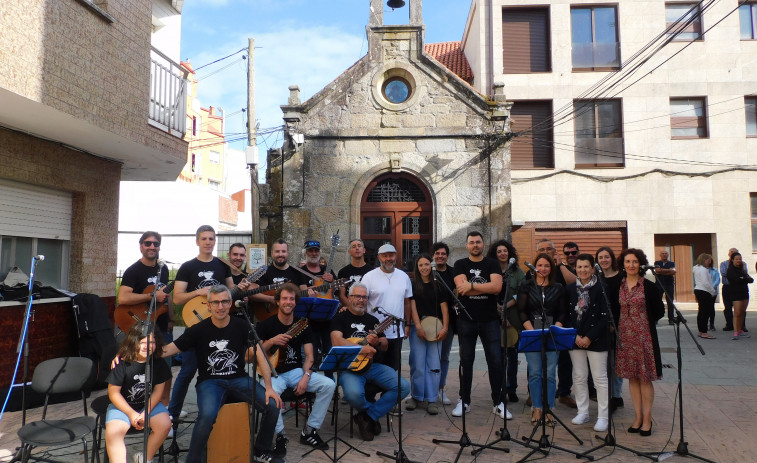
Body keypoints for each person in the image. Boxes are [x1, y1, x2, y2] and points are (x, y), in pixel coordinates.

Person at [161, 285, 283, 463]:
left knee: (273, 404)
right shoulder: (198, 329)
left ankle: (260, 450)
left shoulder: (241, 325)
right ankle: (193, 460)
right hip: (210, 382)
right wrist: (138, 351)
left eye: (224, 302)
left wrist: (269, 387)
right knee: (207, 415)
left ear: (230, 303)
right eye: (216, 302)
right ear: (208, 305)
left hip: (238, 378)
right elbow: (168, 350)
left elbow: (259, 354)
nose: (220, 307)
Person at [168, 225, 237, 428]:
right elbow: (178, 298)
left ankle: (214, 415)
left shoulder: (222, 265)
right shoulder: (188, 267)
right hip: (195, 326)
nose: (208, 242)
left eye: (211, 239)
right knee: (187, 371)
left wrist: (239, 292)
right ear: (197, 241)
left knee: (218, 370)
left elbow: (232, 291)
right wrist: (198, 293)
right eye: (204, 238)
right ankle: (172, 416)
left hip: (218, 328)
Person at [256, 283, 336, 456]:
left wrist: (306, 376)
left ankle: (309, 431)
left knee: (329, 384)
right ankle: (280, 435)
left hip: (295, 372)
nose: (288, 302)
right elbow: (256, 353)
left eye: (292, 299)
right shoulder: (266, 325)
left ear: (296, 302)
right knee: (270, 393)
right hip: (273, 374)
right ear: (277, 301)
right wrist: (272, 341)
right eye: (284, 298)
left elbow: (309, 357)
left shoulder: (303, 325)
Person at [330, 283, 411, 441]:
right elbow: (336, 340)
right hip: (349, 368)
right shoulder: (340, 318)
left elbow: (385, 345)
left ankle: (367, 417)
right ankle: (371, 414)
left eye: (364, 297)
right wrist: (361, 348)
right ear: (349, 298)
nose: (361, 300)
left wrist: (376, 343)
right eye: (357, 296)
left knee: (404, 387)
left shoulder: (373, 320)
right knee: (353, 395)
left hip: (372, 366)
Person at [452, 231, 509, 420]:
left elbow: (497, 288)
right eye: (471, 242)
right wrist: (475, 288)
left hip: (490, 320)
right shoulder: (460, 264)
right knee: (465, 362)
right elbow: (461, 289)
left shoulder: (492, 263)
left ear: (483, 244)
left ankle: (498, 402)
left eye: (478, 242)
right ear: (467, 245)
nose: (475, 245)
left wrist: (472, 287)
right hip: (466, 320)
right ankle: (464, 400)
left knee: (495, 362)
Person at [117, 231, 173, 405]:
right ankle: (138, 406)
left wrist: (171, 318)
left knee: (166, 370)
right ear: (141, 246)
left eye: (155, 244)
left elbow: (165, 295)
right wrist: (151, 297)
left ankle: (165, 409)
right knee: (139, 370)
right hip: (140, 327)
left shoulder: (162, 268)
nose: (152, 247)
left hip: (161, 325)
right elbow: (123, 298)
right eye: (148, 243)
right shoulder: (133, 270)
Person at [613, 248, 664, 437]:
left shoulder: (648, 286)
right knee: (632, 378)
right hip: (625, 337)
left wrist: (642, 322)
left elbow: (659, 311)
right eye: (627, 262)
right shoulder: (620, 285)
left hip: (644, 337)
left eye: (634, 262)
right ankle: (637, 417)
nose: (631, 265)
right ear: (623, 265)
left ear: (640, 264)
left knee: (644, 378)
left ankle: (647, 419)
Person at [105, 325, 172, 463]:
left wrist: (145, 413)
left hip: (147, 405)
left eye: (152, 342)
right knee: (113, 433)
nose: (147, 346)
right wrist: (131, 414)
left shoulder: (158, 363)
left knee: (165, 425)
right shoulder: (122, 363)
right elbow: (113, 393)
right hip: (122, 407)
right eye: (143, 343)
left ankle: (145, 458)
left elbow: (158, 391)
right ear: (133, 342)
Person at [517, 253, 567, 425]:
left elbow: (562, 311)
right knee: (536, 373)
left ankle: (549, 408)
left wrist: (557, 327)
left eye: (547, 265)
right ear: (534, 267)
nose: (543, 268)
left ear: (551, 268)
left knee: (551, 374)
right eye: (540, 265)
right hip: (533, 334)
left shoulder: (558, 287)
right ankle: (537, 407)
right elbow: (522, 310)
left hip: (552, 334)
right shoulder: (526, 286)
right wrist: (531, 331)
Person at [565, 254, 609, 432]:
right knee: (579, 377)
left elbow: (605, 318)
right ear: (575, 269)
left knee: (600, 379)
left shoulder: (602, 288)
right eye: (579, 267)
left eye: (586, 267)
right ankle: (583, 412)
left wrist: (589, 337)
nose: (583, 270)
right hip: (575, 339)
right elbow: (565, 315)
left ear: (593, 268)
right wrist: (575, 335)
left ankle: (603, 417)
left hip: (596, 339)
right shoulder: (569, 289)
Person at [532, 239, 576, 409]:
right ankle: (534, 394)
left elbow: (573, 282)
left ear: (554, 250)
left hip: (562, 320)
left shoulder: (562, 268)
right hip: (539, 322)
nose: (546, 251)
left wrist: (561, 265)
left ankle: (564, 392)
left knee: (564, 359)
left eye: (549, 249)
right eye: (542, 249)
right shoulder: (533, 271)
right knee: (536, 361)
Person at [406, 254, 449, 415]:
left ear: (431, 266)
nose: (424, 267)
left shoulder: (439, 285)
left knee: (434, 364)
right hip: (419, 326)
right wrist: (418, 326)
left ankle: (432, 398)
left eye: (426, 264)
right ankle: (416, 396)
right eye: (420, 265)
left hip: (436, 327)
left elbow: (444, 308)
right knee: (417, 363)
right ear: (417, 268)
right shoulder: (413, 285)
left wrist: (444, 328)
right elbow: (413, 307)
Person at [361, 243, 412, 371]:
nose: (388, 258)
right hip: (375, 332)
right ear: (379, 258)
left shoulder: (404, 276)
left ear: (396, 256)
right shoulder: (369, 277)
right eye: (385, 256)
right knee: (373, 368)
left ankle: (390, 392)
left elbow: (407, 302)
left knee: (393, 370)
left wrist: (407, 325)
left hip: (396, 332)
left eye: (391, 255)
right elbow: (361, 301)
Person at [487, 239, 525, 404]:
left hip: (513, 319)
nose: (503, 254)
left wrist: (505, 309)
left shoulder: (518, 272)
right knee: (497, 357)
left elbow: (522, 293)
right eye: (499, 251)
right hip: (493, 318)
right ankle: (499, 388)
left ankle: (511, 388)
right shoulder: (490, 270)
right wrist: (497, 308)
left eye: (505, 251)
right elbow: (488, 291)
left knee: (512, 356)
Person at [299, 239, 336, 370]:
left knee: (329, 353)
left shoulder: (328, 271)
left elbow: (336, 291)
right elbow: (301, 292)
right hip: (309, 320)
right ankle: (311, 384)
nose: (314, 253)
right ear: (305, 253)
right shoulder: (300, 271)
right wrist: (307, 292)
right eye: (310, 251)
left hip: (327, 318)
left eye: (316, 251)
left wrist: (333, 281)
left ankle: (331, 383)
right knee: (312, 354)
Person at [595, 246, 624, 411]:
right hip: (601, 326)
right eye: (600, 258)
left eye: (606, 257)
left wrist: (616, 325)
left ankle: (616, 396)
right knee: (604, 365)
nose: (604, 260)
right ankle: (607, 396)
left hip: (617, 326)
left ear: (612, 258)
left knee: (615, 364)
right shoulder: (597, 278)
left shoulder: (621, 278)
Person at [251, 239, 309, 313]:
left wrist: (310, 295)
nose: (280, 254)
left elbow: (304, 294)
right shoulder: (264, 272)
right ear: (272, 253)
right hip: (269, 314)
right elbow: (251, 293)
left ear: (288, 253)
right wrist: (269, 299)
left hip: (292, 315)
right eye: (277, 251)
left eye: (283, 251)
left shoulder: (298, 272)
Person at [431, 242, 456, 406]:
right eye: (437, 253)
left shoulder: (454, 273)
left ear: (447, 256)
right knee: (429, 357)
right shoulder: (428, 272)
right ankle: (426, 389)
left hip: (449, 321)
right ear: (433, 255)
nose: (440, 256)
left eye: (443, 253)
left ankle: (440, 389)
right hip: (430, 321)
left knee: (444, 357)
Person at [337, 239, 372, 307]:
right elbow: (342, 295)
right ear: (349, 252)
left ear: (364, 250)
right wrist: (353, 309)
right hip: (350, 310)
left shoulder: (372, 271)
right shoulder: (343, 272)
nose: (357, 248)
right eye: (354, 246)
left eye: (359, 246)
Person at [727, 252, 753, 340]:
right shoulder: (730, 270)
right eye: (737, 259)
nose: (739, 260)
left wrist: (743, 278)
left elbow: (751, 279)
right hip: (736, 293)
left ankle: (740, 329)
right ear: (732, 260)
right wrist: (744, 279)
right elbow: (735, 280)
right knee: (737, 312)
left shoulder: (742, 269)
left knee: (742, 312)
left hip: (744, 293)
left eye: (740, 259)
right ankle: (736, 331)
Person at [692, 253, 717, 339]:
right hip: (704, 291)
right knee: (705, 312)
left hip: (699, 289)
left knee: (701, 311)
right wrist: (712, 291)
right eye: (708, 260)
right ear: (703, 260)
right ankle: (704, 332)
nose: (709, 262)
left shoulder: (696, 268)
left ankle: (701, 331)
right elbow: (706, 282)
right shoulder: (703, 270)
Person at [720, 248, 742, 332]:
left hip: (739, 287)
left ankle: (741, 326)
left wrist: (737, 277)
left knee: (740, 308)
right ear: (729, 254)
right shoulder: (724, 264)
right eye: (731, 252)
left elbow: (744, 274)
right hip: (727, 287)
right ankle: (729, 324)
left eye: (735, 252)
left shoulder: (742, 264)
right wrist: (736, 276)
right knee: (728, 307)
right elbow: (724, 273)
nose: (733, 253)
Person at [653, 250, 677, 325]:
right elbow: (657, 271)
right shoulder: (657, 263)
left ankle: (671, 319)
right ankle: (656, 318)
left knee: (670, 302)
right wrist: (668, 271)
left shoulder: (672, 263)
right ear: (660, 255)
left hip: (669, 284)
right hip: (659, 284)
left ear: (668, 255)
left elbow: (673, 272)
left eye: (666, 253)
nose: (664, 255)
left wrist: (662, 271)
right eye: (663, 253)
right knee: (657, 302)